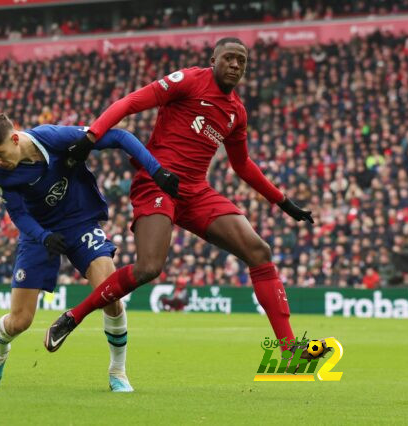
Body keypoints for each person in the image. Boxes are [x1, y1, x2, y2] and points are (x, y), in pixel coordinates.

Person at [45, 37, 331, 359]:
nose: (235, 65)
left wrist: (282, 201)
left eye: (242, 61)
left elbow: (242, 165)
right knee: (149, 268)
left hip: (195, 191)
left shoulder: (236, 112)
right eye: (229, 58)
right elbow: (131, 102)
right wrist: (92, 135)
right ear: (214, 59)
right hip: (157, 181)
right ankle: (73, 317)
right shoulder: (190, 80)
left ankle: (289, 350)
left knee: (259, 251)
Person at [0, 113, 179, 391]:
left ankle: (118, 372)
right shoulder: (0, 171)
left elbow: (119, 136)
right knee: (21, 321)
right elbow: (19, 214)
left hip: (79, 222)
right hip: (39, 233)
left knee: (111, 295)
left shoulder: (55, 138)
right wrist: (43, 237)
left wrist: (156, 170)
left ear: (15, 138)